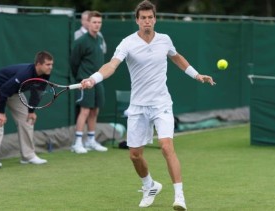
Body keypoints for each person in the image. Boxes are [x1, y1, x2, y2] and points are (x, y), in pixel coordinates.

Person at [80, 1, 216, 210]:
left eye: (150, 17)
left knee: (166, 146)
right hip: (138, 107)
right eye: (143, 18)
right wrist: (94, 79)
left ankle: (179, 197)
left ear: (155, 19)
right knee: (134, 155)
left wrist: (196, 75)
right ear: (137, 20)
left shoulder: (165, 40)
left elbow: (176, 57)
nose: (147, 21)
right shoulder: (127, 43)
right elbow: (112, 65)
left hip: (161, 104)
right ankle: (149, 185)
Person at [0, 51, 54, 169]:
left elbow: (37, 93)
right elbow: (4, 91)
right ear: (38, 64)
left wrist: (31, 111)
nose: (50, 67)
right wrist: (1, 112)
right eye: (48, 64)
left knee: (27, 119)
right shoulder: (24, 74)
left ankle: (28, 156)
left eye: (51, 64)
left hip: (14, 92)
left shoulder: (45, 74)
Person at [70, 11, 108, 154]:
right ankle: (77, 142)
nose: (97, 25)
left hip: (98, 80)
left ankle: (91, 140)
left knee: (95, 110)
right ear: (88, 23)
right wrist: (80, 79)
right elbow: (74, 62)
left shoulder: (99, 39)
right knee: (84, 111)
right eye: (94, 22)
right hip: (85, 81)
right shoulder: (81, 41)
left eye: (99, 22)